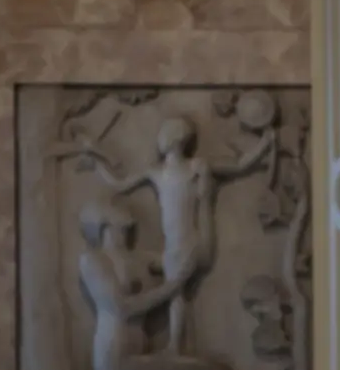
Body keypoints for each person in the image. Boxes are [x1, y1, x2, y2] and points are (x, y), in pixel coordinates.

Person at [77, 202, 252, 370]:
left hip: (141, 359)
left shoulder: (137, 259)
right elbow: (121, 307)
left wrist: (198, 215)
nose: (129, 219)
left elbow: (181, 259)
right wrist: (172, 288)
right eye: (118, 213)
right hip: (117, 364)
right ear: (104, 222)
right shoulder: (93, 261)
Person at [82, 116, 274, 353]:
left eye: (165, 132)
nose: (160, 138)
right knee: (173, 283)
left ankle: (174, 346)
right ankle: (179, 344)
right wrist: (94, 154)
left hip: (194, 243)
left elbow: (239, 165)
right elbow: (119, 183)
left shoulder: (197, 167)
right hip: (176, 247)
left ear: (176, 138)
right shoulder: (156, 173)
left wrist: (265, 143)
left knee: (176, 290)